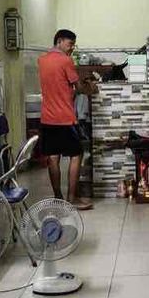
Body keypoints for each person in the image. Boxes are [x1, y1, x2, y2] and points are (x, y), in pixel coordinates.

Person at [38, 29, 93, 209]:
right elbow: (79, 87)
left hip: (47, 118)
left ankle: (58, 197)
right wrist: (88, 86)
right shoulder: (65, 60)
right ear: (60, 41)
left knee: (53, 157)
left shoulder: (42, 60)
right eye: (70, 44)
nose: (71, 48)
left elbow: (58, 85)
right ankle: (71, 198)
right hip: (65, 118)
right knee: (77, 154)